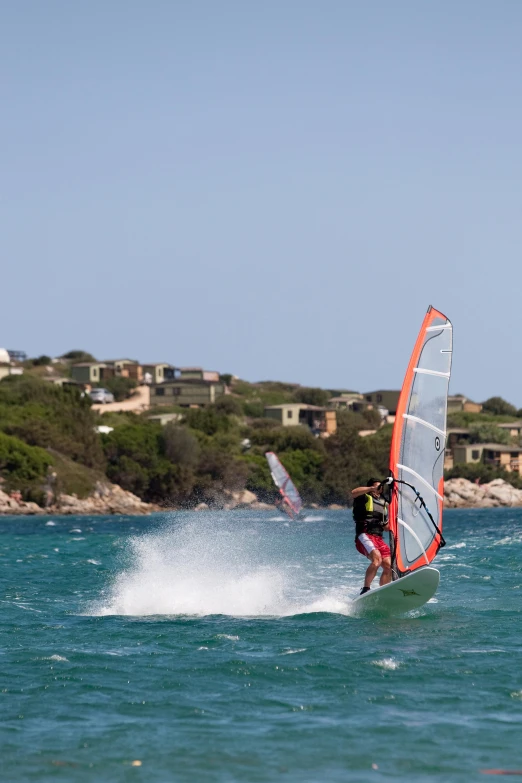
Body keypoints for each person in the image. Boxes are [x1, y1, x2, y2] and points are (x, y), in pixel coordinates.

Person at [351, 478, 392, 595]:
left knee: (389, 566)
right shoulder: (363, 498)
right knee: (377, 560)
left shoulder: (383, 503)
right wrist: (370, 489)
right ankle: (366, 588)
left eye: (380, 487)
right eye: (376, 487)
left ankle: (384, 591)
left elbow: (386, 527)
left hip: (378, 538)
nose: (378, 489)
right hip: (364, 535)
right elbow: (354, 492)